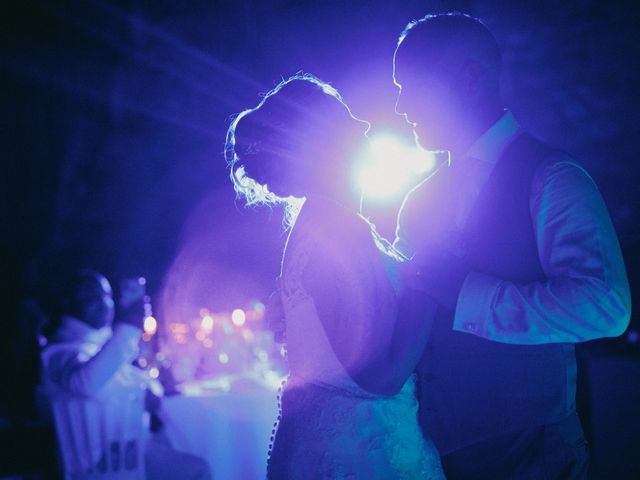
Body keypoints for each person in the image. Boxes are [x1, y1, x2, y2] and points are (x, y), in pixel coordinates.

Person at [392, 12, 632, 479]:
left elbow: (606, 305)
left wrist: (468, 294)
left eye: (411, 87)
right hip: (432, 454)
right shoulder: (417, 197)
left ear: (470, 78)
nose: (401, 108)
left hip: (531, 453)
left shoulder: (553, 176)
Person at [225, 74, 445, 479]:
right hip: (367, 451)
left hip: (328, 444)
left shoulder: (316, 224)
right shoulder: (340, 228)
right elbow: (383, 376)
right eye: (349, 119)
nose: (364, 128)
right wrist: (430, 281)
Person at [40, 270, 211, 480]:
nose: (103, 303)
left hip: (127, 454)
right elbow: (85, 383)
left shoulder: (103, 346)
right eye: (90, 297)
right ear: (68, 303)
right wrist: (129, 327)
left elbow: (143, 386)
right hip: (99, 465)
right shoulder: (61, 351)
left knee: (197, 460)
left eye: (107, 296)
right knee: (197, 469)